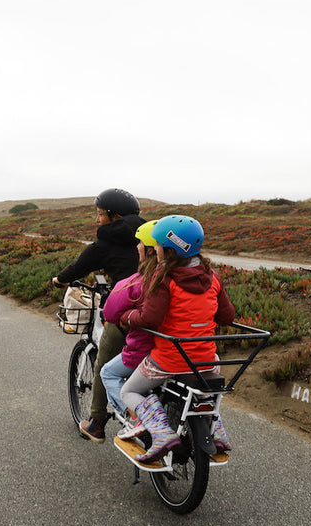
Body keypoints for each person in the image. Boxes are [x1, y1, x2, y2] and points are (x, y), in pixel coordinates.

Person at [118, 215, 236, 463]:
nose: (156, 249)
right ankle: (217, 431)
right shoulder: (213, 277)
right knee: (205, 391)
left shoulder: (165, 279)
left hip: (170, 359)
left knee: (129, 391)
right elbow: (227, 316)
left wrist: (128, 317)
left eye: (159, 244)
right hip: (205, 360)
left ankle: (161, 434)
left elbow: (149, 318)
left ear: (170, 249)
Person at [52, 188, 145, 443]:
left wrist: (60, 279)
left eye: (100, 214)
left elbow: (79, 266)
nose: (97, 220)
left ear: (114, 216)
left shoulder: (107, 242)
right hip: (156, 310)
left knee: (104, 362)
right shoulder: (149, 238)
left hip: (126, 311)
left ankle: (96, 422)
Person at [98, 220, 159, 419]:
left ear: (151, 250)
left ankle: (134, 417)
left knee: (107, 372)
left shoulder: (136, 282)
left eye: (140, 243)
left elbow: (110, 312)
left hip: (144, 351)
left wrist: (127, 316)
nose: (137, 246)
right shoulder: (176, 280)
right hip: (181, 350)